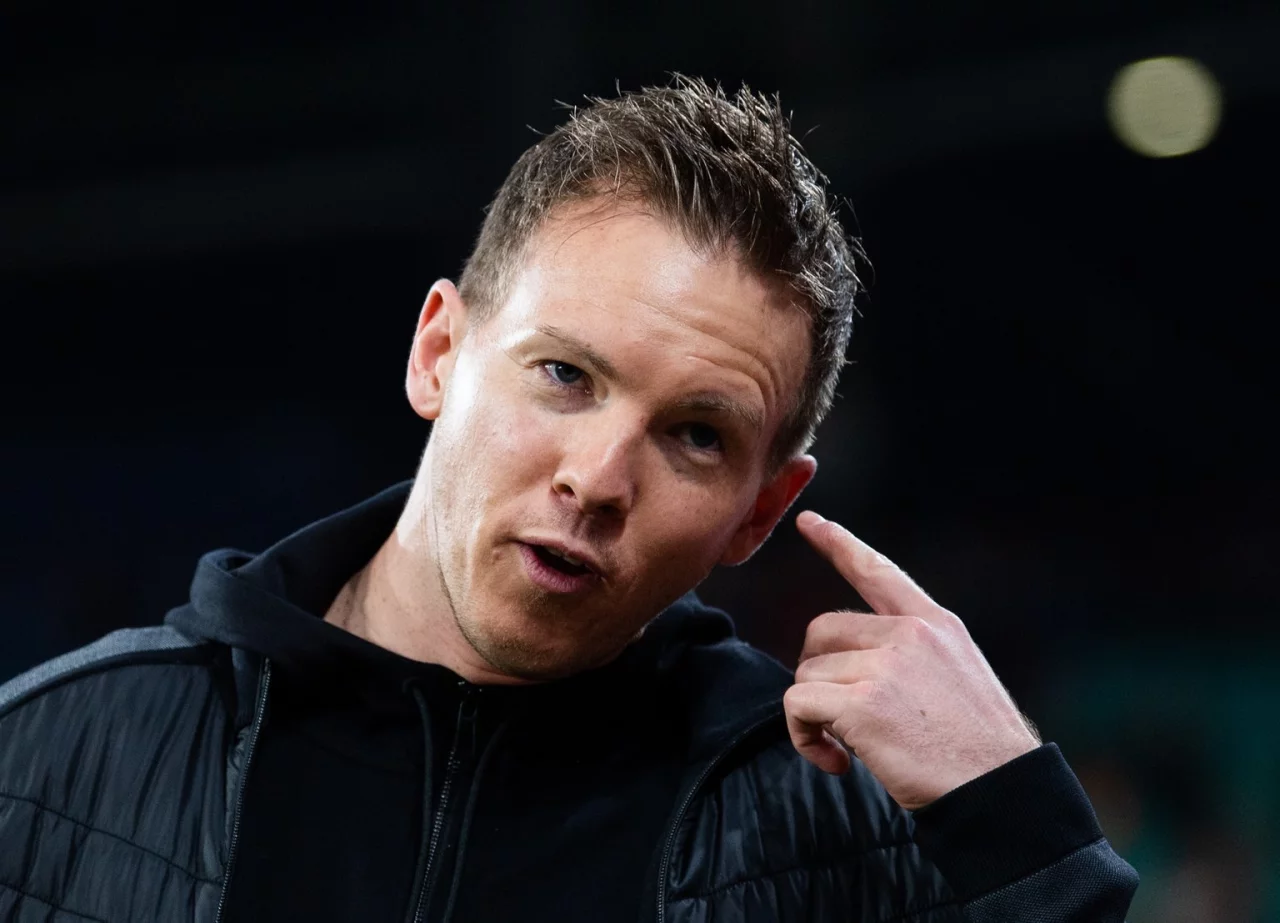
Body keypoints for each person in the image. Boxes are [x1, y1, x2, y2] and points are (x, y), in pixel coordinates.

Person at [0, 77, 1138, 922]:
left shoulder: (849, 838)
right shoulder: (45, 756)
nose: (595, 480)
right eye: (564, 374)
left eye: (695, 435)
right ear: (438, 351)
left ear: (759, 512)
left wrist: (1025, 837)